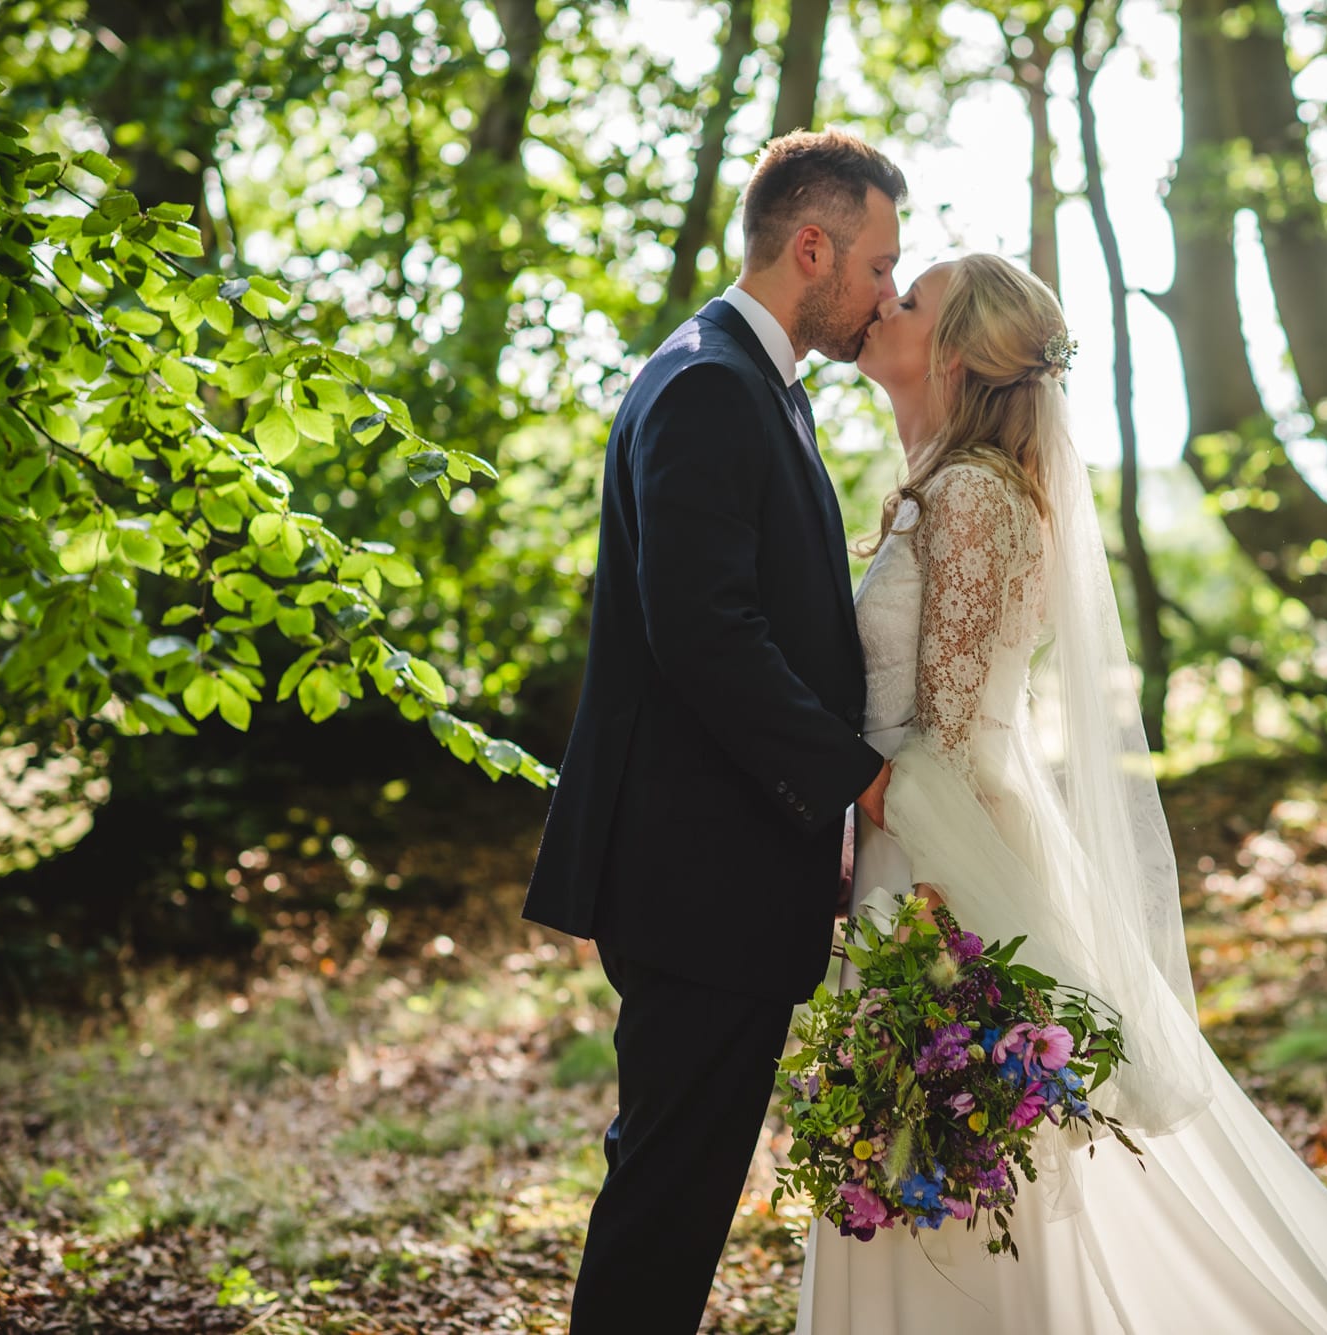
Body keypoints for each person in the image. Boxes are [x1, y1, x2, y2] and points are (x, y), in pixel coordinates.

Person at [794, 254, 1327, 1334]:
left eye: (910, 298)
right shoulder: (936, 487)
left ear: (961, 352)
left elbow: (949, 741)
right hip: (905, 848)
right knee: (920, 1167)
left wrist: (910, 879)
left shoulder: (975, 495)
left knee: (955, 1166)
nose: (884, 303)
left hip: (941, 871)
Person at [521, 129, 907, 1334]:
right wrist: (856, 782)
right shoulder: (704, 384)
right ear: (810, 247)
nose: (885, 295)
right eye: (878, 264)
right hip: (694, 876)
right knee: (666, 1199)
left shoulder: (742, 382)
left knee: (674, 1187)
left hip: (721, 869)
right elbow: (703, 632)